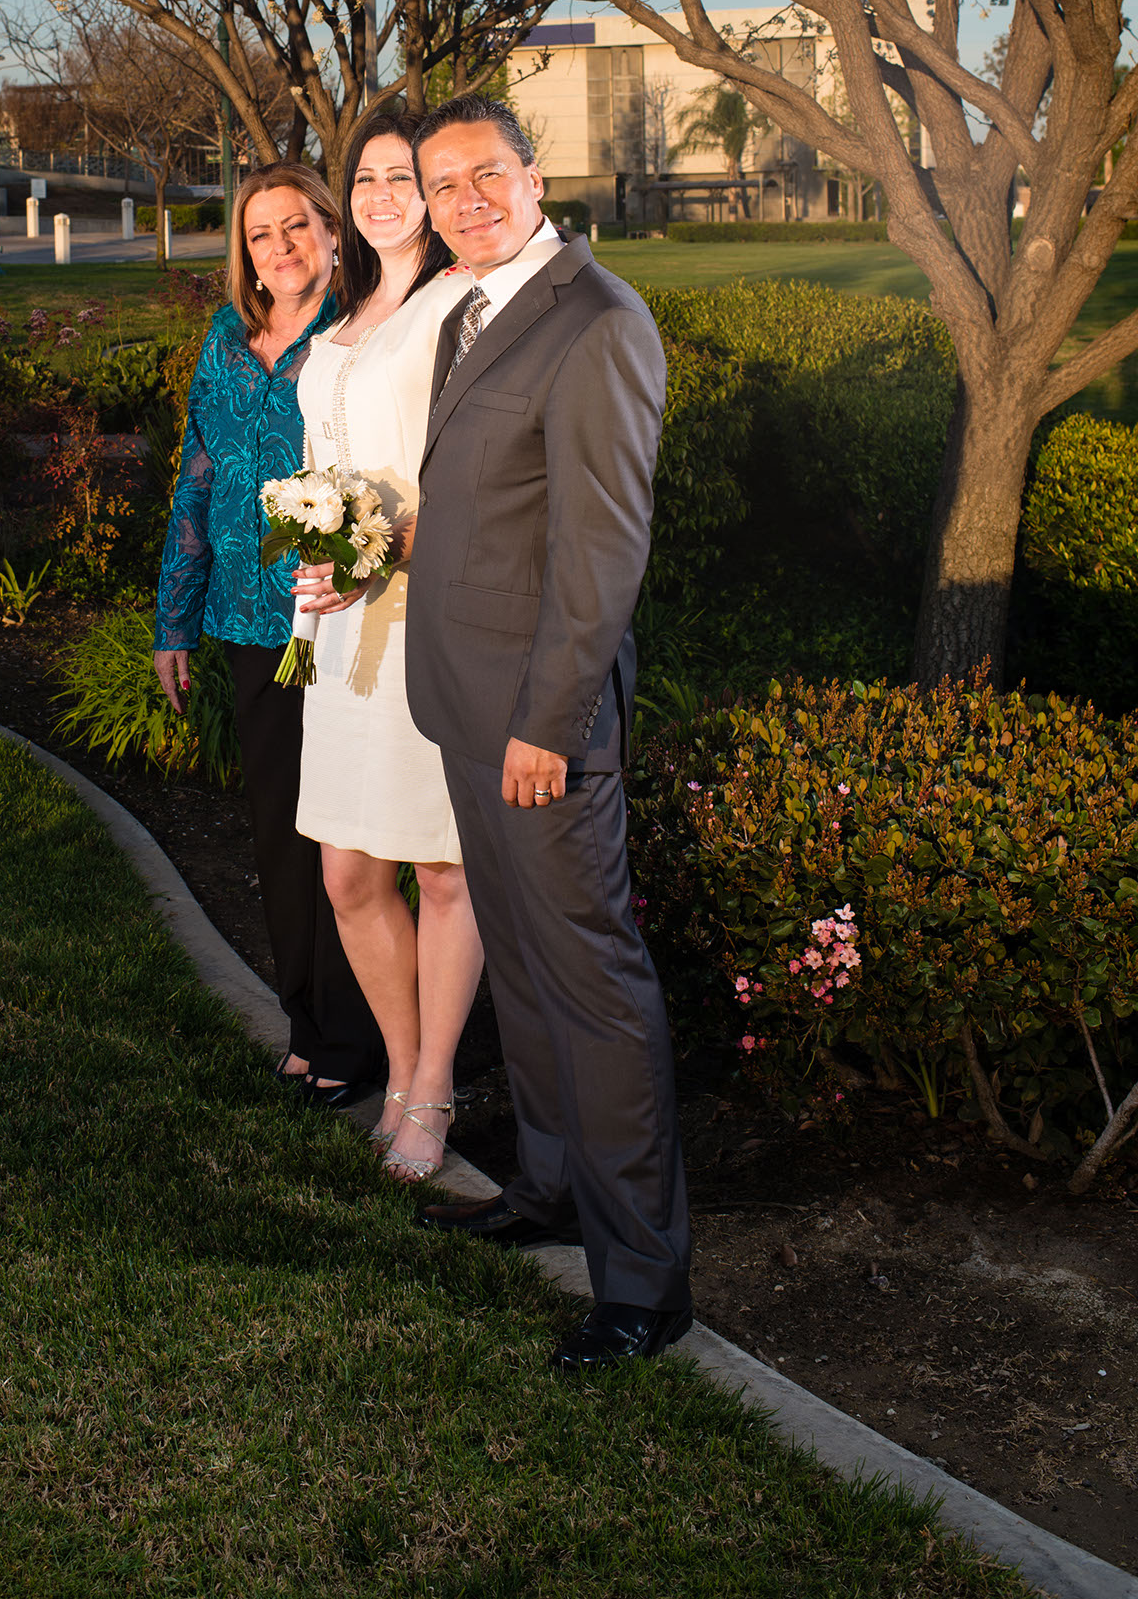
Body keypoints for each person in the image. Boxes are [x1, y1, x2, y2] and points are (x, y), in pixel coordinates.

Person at [404, 92, 692, 1372]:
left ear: (533, 177)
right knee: (519, 965)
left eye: (485, 175)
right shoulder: (469, 311)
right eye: (441, 184)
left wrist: (549, 725)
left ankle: (641, 1284)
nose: (463, 201)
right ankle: (550, 1189)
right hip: (465, 703)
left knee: (590, 986)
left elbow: (600, 550)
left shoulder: (597, 321)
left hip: (538, 723)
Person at [154, 162, 384, 1101]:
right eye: (261, 233)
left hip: (340, 616)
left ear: (331, 231)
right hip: (251, 626)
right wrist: (173, 619)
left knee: (348, 839)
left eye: (296, 226)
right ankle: (306, 1021)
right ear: (244, 253)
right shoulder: (224, 340)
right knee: (282, 828)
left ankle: (359, 1037)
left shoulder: (360, 330)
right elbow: (195, 482)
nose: (280, 247)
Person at [292, 107, 486, 1183]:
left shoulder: (456, 303)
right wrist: (312, 541)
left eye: (401, 176)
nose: (379, 194)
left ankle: (432, 1087)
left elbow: (481, 473)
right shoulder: (346, 310)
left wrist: (383, 546)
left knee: (440, 865)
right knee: (348, 872)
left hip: (425, 613)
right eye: (364, 176)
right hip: (339, 626)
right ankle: (404, 1065)